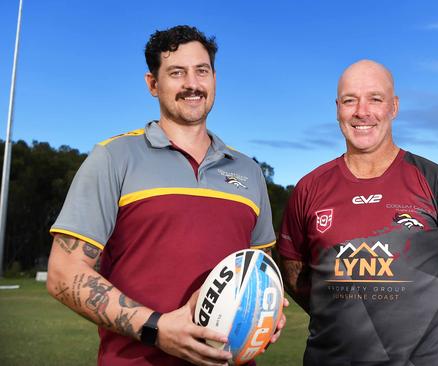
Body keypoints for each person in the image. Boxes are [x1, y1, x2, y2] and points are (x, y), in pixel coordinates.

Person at [46, 25, 284, 366]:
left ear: (214, 78)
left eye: (201, 71)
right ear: (153, 84)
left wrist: (268, 312)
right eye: (177, 73)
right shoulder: (114, 157)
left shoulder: (248, 170)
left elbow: (261, 270)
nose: (192, 84)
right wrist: (156, 328)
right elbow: (63, 273)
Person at [277, 60, 438, 366]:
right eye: (350, 100)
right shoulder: (308, 188)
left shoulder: (436, 182)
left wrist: (428, 330)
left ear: (394, 107)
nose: (361, 112)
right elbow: (292, 270)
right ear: (337, 107)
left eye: (375, 99)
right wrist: (336, 316)